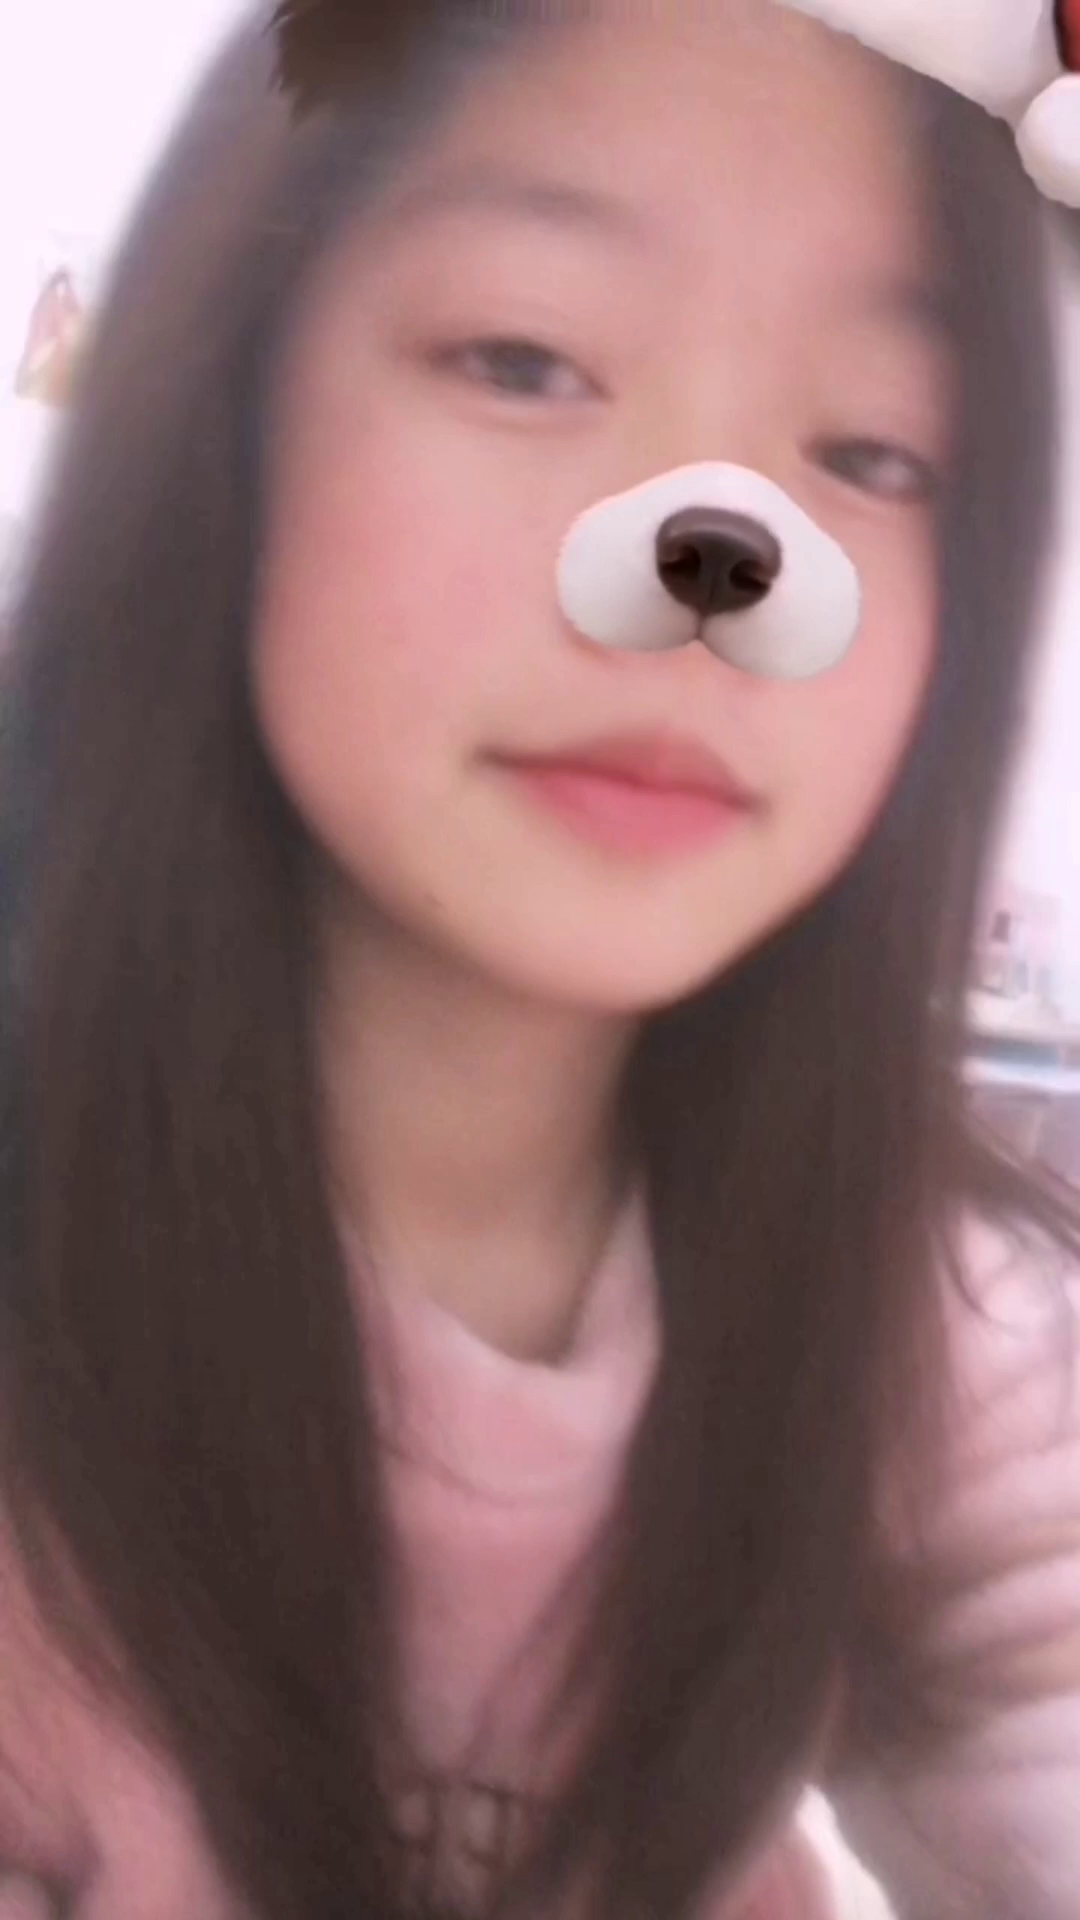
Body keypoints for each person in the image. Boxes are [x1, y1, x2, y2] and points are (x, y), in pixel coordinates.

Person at [0, 3, 1077, 1917]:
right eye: (524, 358)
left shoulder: (929, 1332)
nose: (713, 557)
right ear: (220, 400)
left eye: (873, 450)